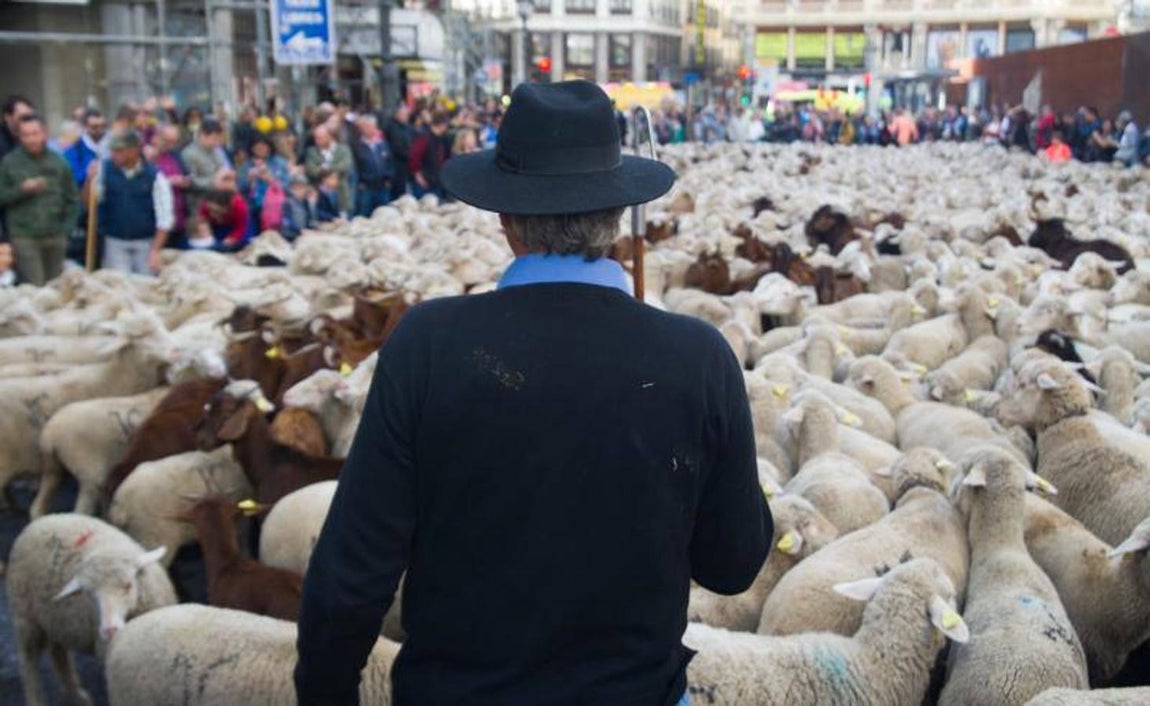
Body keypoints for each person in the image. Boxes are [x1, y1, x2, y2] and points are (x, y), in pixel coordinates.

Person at [294, 79, 772, 706]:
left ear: (504, 218)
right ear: (614, 218)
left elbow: (351, 579)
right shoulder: (697, 357)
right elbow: (733, 565)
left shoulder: (428, 345)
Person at [0, 115, 78, 285]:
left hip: (56, 236)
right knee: (35, 289)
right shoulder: (9, 162)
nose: (31, 139)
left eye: (35, 133)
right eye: (26, 135)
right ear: (19, 137)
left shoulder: (59, 162)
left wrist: (66, 230)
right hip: (25, 237)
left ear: (44, 134)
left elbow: (72, 199)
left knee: (56, 288)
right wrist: (21, 190)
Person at [87, 130, 173, 274]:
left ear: (134, 150)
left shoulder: (154, 176)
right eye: (113, 150)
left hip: (146, 241)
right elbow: (91, 202)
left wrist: (156, 250)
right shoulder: (104, 170)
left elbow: (165, 217)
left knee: (146, 287)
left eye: (119, 150)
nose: (114, 154)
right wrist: (89, 180)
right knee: (118, 288)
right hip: (115, 240)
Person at [150, 124, 191, 243]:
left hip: (178, 215)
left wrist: (185, 180)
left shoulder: (175, 154)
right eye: (167, 141)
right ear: (157, 137)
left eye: (174, 142)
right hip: (157, 217)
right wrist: (169, 182)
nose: (171, 145)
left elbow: (186, 173)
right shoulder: (148, 156)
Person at [181, 117, 228, 220]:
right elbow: (189, 182)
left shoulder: (217, 150)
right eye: (214, 139)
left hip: (219, 202)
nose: (217, 143)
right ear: (203, 135)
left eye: (219, 139)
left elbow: (225, 168)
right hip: (199, 205)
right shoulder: (189, 154)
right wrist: (213, 181)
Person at [350, 115, 393, 217]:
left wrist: (389, 178)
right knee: (364, 216)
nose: (371, 129)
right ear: (362, 128)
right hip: (366, 187)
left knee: (383, 215)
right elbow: (354, 166)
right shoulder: (356, 146)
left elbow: (390, 162)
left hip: (383, 186)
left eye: (373, 126)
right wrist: (360, 182)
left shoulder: (382, 144)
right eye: (367, 127)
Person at [304, 125, 352, 216]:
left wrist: (324, 167)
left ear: (329, 136)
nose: (317, 141)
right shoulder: (312, 151)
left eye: (320, 138)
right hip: (320, 194)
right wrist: (331, 172)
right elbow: (311, 170)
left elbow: (346, 165)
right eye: (316, 138)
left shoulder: (343, 149)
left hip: (340, 193)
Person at [196, 169, 250, 252]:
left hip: (235, 227)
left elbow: (240, 228)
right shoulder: (205, 205)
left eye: (217, 212)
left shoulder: (239, 206)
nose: (213, 214)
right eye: (211, 210)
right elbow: (201, 224)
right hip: (216, 229)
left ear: (227, 207)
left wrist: (232, 239)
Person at [408, 112, 451, 200]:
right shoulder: (424, 137)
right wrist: (418, 176)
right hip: (424, 181)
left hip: (437, 180)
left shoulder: (442, 138)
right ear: (442, 125)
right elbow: (414, 157)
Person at [64, 108, 107, 187]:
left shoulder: (110, 145)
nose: (100, 130)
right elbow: (74, 179)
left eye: (103, 126)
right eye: (95, 127)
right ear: (85, 127)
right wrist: (88, 174)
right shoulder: (75, 150)